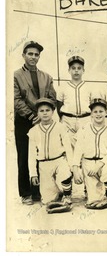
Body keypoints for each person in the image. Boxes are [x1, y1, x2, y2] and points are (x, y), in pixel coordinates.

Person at [14, 41, 57, 205]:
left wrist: (44, 115)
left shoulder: (46, 77)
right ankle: (26, 193)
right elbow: (16, 99)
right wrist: (33, 116)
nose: (33, 57)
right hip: (25, 121)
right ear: (23, 55)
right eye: (30, 54)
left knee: (42, 154)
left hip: (43, 120)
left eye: (36, 54)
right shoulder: (15, 75)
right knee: (25, 155)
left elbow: (52, 98)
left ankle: (39, 191)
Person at [71, 98, 107, 209]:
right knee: (93, 201)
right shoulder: (84, 129)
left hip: (103, 163)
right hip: (88, 164)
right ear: (91, 114)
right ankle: (94, 194)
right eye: (95, 111)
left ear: (106, 113)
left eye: (101, 111)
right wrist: (75, 168)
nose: (98, 114)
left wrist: (100, 164)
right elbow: (78, 149)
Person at [28, 98, 73, 208]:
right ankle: (57, 190)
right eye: (41, 111)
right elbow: (31, 154)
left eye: (47, 110)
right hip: (44, 164)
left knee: (65, 174)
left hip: (59, 160)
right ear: (37, 113)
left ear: (53, 111)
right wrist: (33, 173)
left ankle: (67, 195)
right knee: (48, 200)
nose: (44, 113)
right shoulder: (34, 131)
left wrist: (72, 166)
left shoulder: (60, 127)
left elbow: (68, 148)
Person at [56, 55, 93, 147]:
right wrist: (65, 117)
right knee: (68, 147)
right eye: (73, 68)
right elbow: (59, 105)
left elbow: (93, 106)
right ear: (69, 70)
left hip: (85, 119)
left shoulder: (89, 87)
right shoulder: (63, 87)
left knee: (85, 147)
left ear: (83, 70)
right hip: (68, 120)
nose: (76, 70)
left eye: (79, 68)